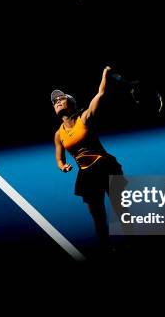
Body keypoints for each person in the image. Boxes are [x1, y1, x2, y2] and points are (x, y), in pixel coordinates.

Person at [52, 66, 126, 250]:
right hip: (86, 175)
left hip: (106, 166)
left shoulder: (84, 118)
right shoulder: (58, 134)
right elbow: (59, 158)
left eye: (62, 99)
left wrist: (105, 73)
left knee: (121, 208)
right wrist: (63, 166)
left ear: (72, 104)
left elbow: (100, 93)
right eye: (55, 102)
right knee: (97, 215)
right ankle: (105, 246)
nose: (58, 102)